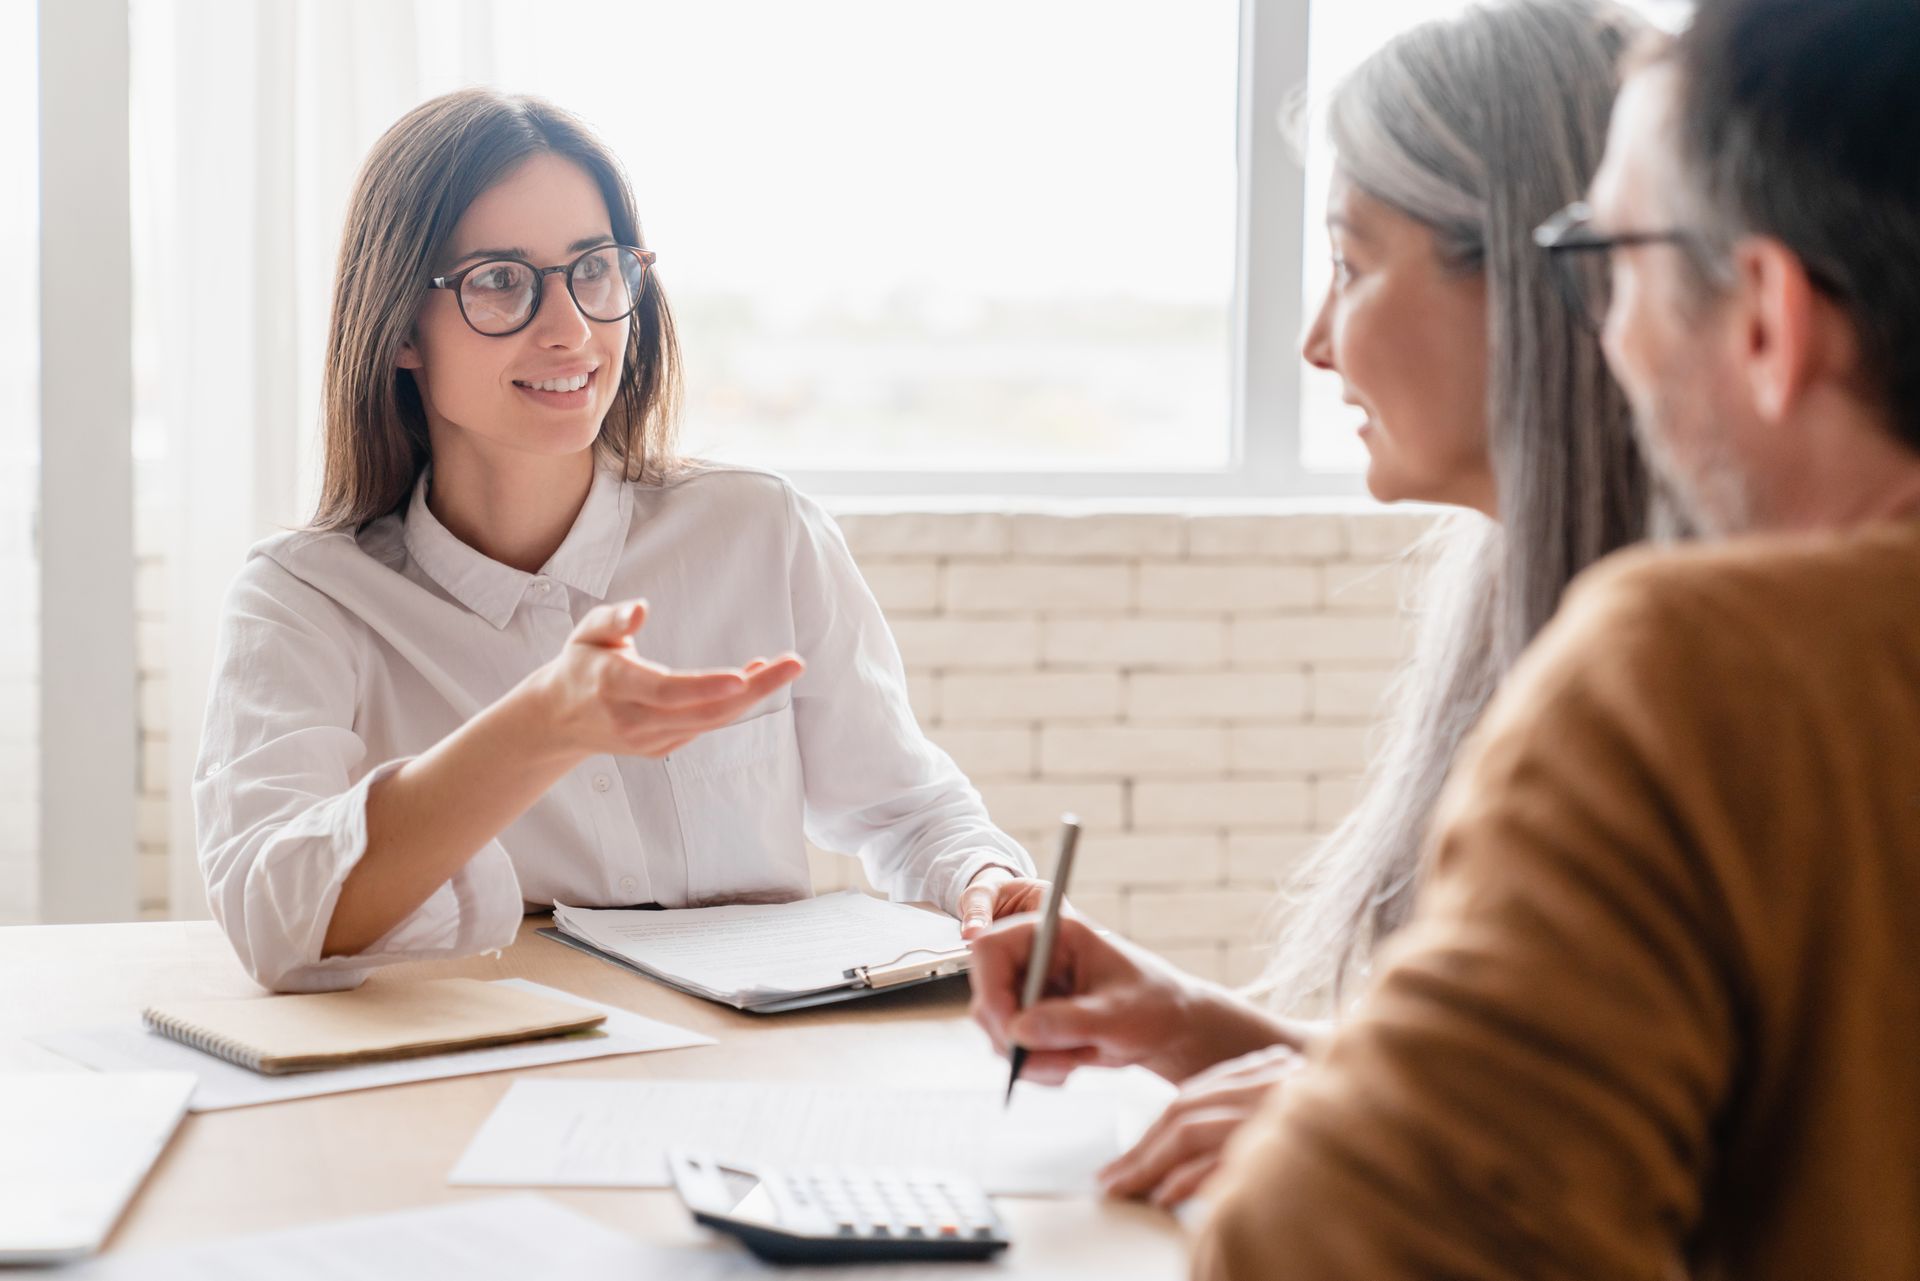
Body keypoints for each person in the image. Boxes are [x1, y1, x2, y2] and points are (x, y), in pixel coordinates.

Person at [998, 0, 1920, 1273]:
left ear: (1766, 312)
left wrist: (1330, 1128)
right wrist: (1242, 1042)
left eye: (1610, 256)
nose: (1606, 323)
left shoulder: (1707, 675)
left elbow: (1335, 1248)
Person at [976, 0, 1668, 1209]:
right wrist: (1188, 1020)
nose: (1313, 341)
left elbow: (1682, 1184)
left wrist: (1362, 1119)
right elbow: (1518, 1107)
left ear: (1525, 274)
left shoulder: (1702, 691)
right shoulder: (1522, 603)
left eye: (1350, 264)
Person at [195, 89, 1043, 994]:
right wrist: (540, 726)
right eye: (498, 280)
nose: (570, 330)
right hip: (483, 1077)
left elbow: (910, 812)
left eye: (593, 268)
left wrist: (981, 878)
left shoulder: (761, 531)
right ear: (401, 327)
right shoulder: (305, 597)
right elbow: (272, 916)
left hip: (742, 1072)